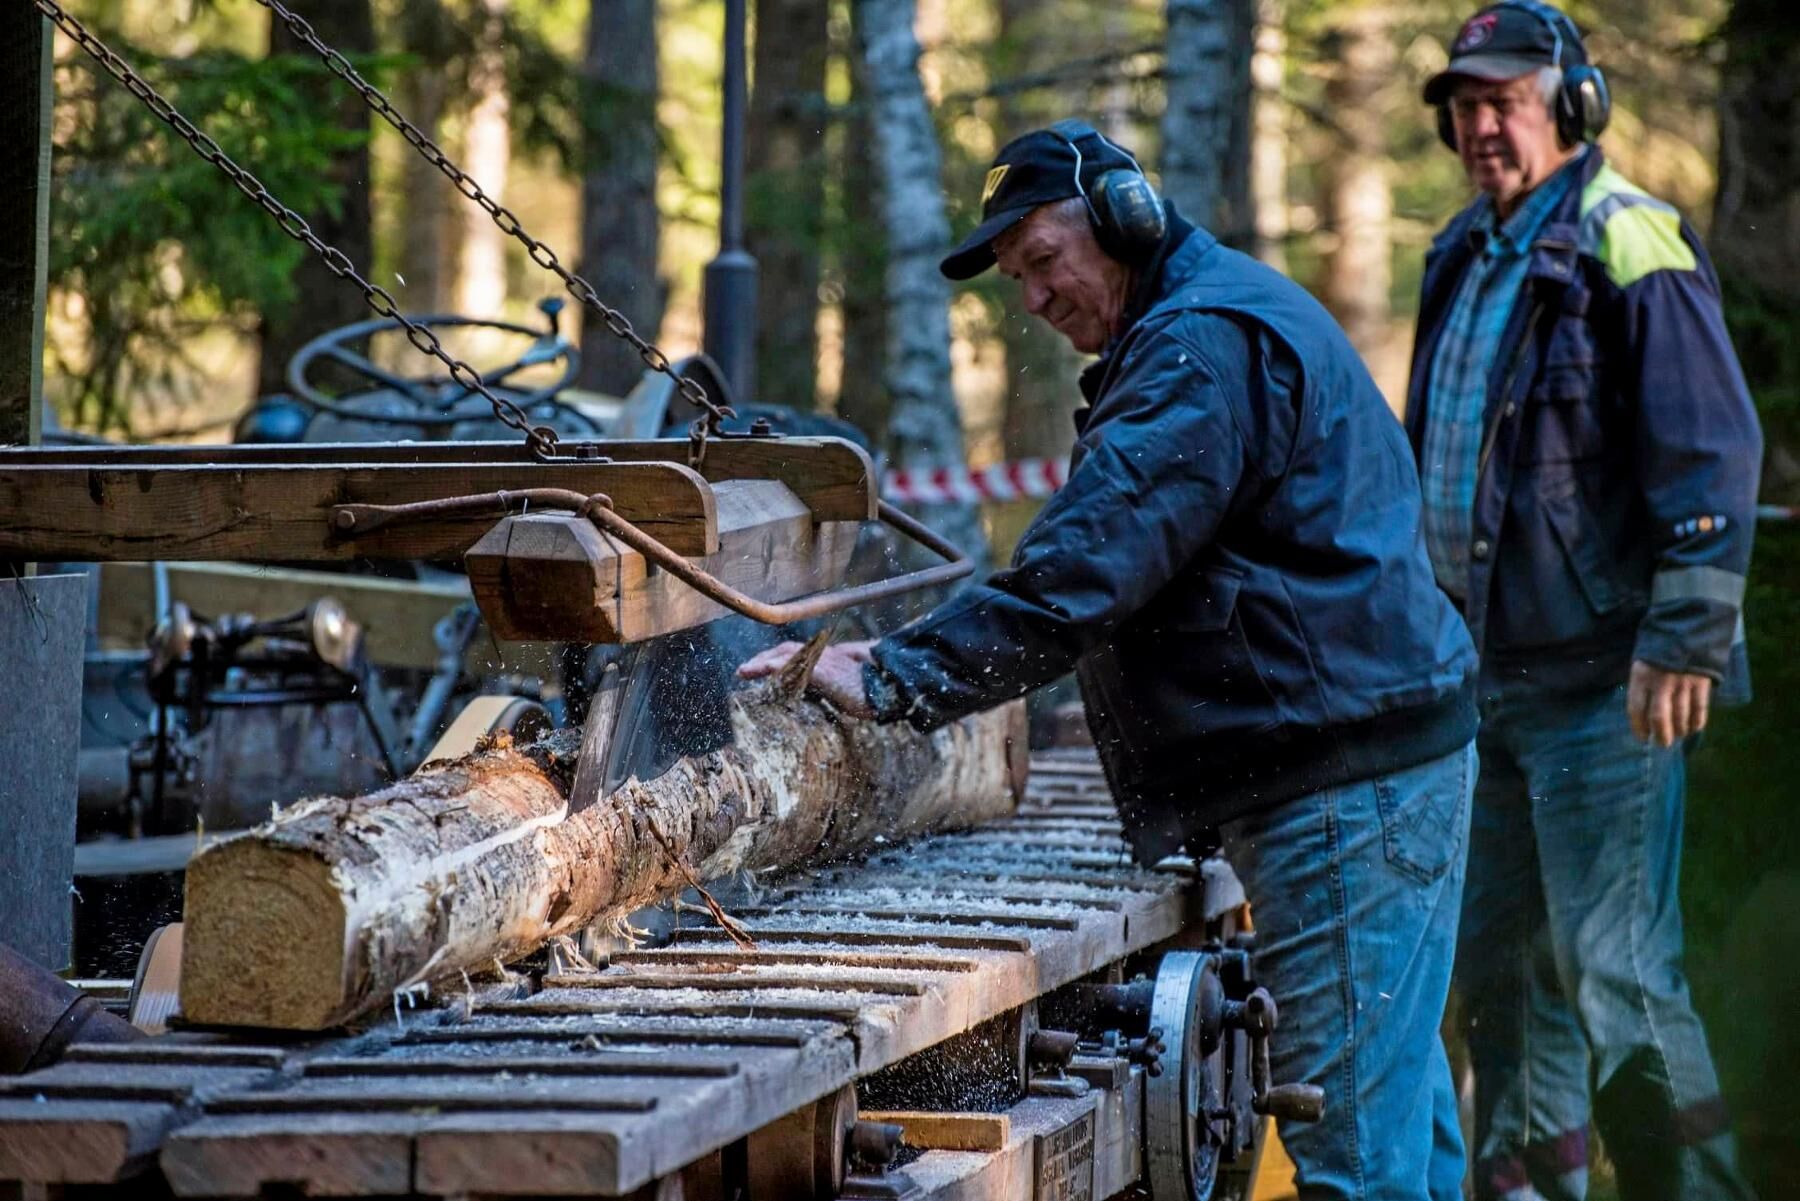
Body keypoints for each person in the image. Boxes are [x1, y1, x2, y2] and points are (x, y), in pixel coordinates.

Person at [742, 119, 1479, 1199]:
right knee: (1401, 1131)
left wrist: (896, 674)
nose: (1034, 300)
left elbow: (1086, 570)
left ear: (1126, 222)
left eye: (1042, 263)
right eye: (1015, 280)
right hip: (1366, 768)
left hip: (1346, 793)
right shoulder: (1199, 324)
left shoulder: (1197, 349)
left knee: (1360, 1170)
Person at [1409, 5, 1763, 1198]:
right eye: (1464, 105)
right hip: (1483, 683)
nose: (1481, 125)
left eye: (1505, 100)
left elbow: (1713, 447)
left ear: (1573, 105)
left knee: (1616, 972)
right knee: (1503, 976)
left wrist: (1686, 636)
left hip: (1611, 686)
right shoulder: (1460, 253)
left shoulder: (1631, 235)